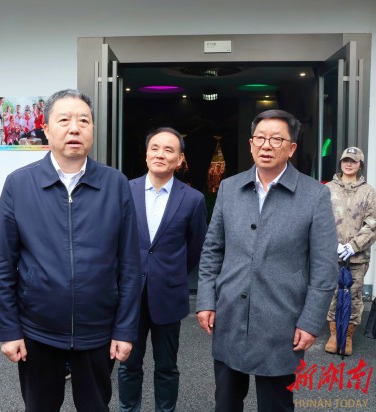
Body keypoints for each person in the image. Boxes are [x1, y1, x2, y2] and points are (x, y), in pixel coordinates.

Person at [0, 89, 142, 412]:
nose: (75, 128)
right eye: (64, 120)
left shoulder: (115, 184)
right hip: (38, 331)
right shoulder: (19, 184)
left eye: (83, 121)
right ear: (46, 129)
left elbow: (130, 264)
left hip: (98, 331)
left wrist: (125, 329)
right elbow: (4, 265)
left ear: (92, 129)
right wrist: (9, 330)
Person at [196, 109, 338, 412]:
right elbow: (212, 250)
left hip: (282, 319)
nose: (266, 145)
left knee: (276, 404)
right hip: (231, 314)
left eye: (276, 139)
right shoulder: (230, 188)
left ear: (292, 148)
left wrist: (311, 322)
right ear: (250, 144)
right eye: (259, 138)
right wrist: (206, 300)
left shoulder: (314, 195)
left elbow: (325, 267)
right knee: (226, 402)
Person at [119, 127, 207, 411]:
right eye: (155, 148)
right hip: (130, 295)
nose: (160, 154)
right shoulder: (125, 190)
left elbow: (195, 247)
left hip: (169, 294)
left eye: (169, 150)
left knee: (167, 366)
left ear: (180, 160)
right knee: (128, 364)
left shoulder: (192, 199)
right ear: (146, 155)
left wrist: (171, 272)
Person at [324, 147, 376, 355]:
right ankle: (334, 334)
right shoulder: (328, 189)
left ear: (360, 165)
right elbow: (320, 221)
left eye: (353, 161)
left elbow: (372, 224)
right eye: (346, 160)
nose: (348, 164)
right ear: (341, 162)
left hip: (357, 257)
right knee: (332, 293)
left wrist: (352, 246)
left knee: (354, 295)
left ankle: (346, 336)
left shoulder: (368, 191)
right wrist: (332, 244)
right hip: (331, 254)